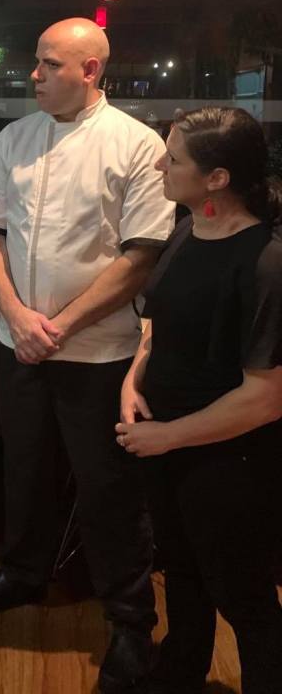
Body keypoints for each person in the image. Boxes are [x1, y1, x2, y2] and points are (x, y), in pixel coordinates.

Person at [0, 18, 174, 694]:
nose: (34, 74)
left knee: (109, 487)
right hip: (19, 343)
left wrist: (58, 326)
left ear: (90, 70)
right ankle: (23, 572)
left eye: (50, 64)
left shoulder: (137, 145)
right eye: (36, 61)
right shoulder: (14, 138)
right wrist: (16, 315)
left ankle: (131, 621)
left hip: (100, 353)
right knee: (23, 469)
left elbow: (141, 256)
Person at [117, 107, 282, 694]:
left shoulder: (266, 262)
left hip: (230, 460)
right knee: (183, 573)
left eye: (174, 158)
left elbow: (265, 399)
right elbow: (159, 323)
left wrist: (166, 436)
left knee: (243, 596)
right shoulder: (189, 227)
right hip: (168, 446)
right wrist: (134, 378)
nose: (159, 166)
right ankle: (178, 674)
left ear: (217, 178)